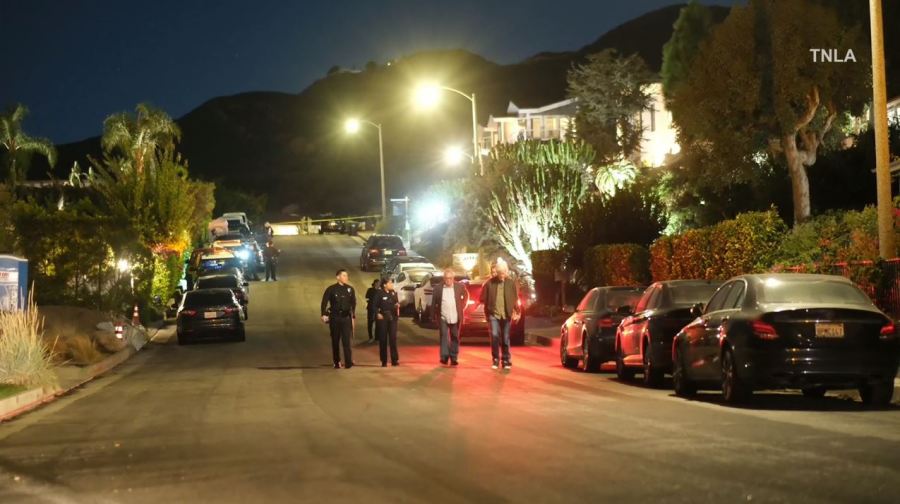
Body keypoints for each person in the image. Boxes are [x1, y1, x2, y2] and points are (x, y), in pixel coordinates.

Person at [480, 258, 521, 370]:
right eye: (500, 273)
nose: (502, 275)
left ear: (506, 272)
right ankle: (495, 359)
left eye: (504, 273)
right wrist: (488, 310)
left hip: (506, 314)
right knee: (494, 336)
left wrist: (517, 311)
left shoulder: (510, 283)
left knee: (506, 338)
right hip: (494, 314)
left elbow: (515, 299)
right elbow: (483, 299)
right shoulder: (490, 283)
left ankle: (506, 359)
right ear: (496, 272)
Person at [321, 269, 356, 369]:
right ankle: (337, 361)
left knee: (346, 341)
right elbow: (324, 302)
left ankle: (348, 362)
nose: (346, 277)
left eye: (347, 276)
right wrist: (323, 314)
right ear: (338, 277)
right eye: (344, 275)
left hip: (346, 318)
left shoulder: (350, 289)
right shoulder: (331, 289)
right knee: (335, 341)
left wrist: (353, 315)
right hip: (335, 317)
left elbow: (353, 303)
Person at [432, 268, 467, 366]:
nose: (448, 280)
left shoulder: (459, 287)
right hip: (443, 316)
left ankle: (454, 357)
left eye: (450, 278)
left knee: (455, 337)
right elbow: (434, 302)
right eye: (446, 278)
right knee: (444, 336)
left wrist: (461, 306)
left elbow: (465, 296)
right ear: (444, 278)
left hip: (455, 316)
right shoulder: (438, 288)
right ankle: (444, 357)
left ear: (453, 278)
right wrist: (432, 315)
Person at [375, 277, 400, 367]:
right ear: (384, 285)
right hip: (383, 318)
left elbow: (396, 302)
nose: (391, 285)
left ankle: (394, 359)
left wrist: (397, 305)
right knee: (383, 339)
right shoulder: (379, 293)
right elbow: (374, 305)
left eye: (391, 283)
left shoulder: (393, 292)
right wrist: (377, 313)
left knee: (393, 339)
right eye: (389, 283)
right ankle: (384, 360)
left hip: (392, 317)